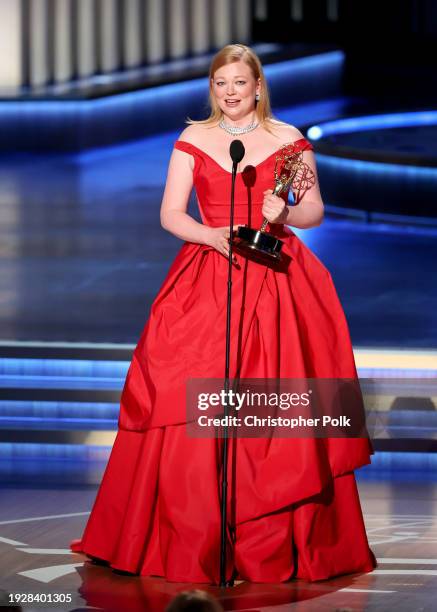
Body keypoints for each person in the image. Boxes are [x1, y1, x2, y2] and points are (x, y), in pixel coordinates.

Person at [71, 43, 376, 585]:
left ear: (258, 86)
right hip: (210, 273)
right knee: (186, 394)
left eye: (239, 82)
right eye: (221, 84)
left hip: (279, 279)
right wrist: (209, 235)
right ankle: (195, 534)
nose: (231, 93)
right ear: (212, 90)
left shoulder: (289, 142)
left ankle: (274, 527)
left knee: (280, 400)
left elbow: (315, 211)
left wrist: (286, 211)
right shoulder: (193, 140)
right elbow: (170, 213)